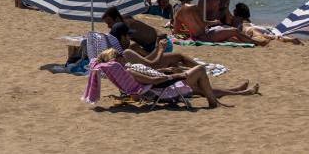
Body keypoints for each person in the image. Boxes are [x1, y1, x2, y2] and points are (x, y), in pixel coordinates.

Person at [96, 48, 258, 109]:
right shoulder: (128, 72)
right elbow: (153, 81)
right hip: (165, 89)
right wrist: (176, 75)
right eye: (118, 56)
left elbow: (151, 76)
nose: (122, 56)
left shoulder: (125, 71)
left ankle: (237, 91)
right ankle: (214, 103)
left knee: (202, 88)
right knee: (200, 70)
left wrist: (165, 71)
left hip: (163, 86)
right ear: (115, 60)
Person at [172, 0, 251, 43]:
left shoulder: (177, 11)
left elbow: (176, 31)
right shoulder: (193, 8)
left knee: (231, 35)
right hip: (205, 36)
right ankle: (255, 42)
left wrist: (189, 31)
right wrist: (215, 22)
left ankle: (251, 41)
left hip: (196, 36)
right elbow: (203, 24)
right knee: (235, 32)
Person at [233, 3, 303, 45]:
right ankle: (290, 39)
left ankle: (291, 40)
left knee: (262, 36)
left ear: (238, 14)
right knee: (270, 36)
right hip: (260, 27)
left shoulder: (239, 20)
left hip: (252, 29)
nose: (234, 11)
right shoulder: (247, 20)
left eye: (235, 10)